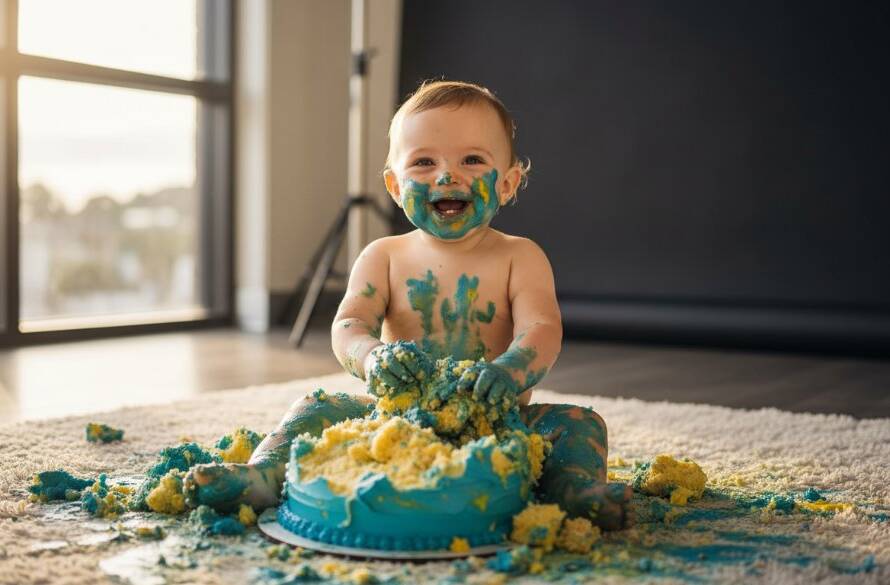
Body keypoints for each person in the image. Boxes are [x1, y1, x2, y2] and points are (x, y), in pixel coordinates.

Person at [187, 80, 631, 530]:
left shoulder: (521, 256)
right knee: (314, 407)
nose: (447, 175)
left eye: (472, 160)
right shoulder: (384, 256)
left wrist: (509, 371)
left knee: (580, 423)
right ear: (395, 186)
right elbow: (348, 324)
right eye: (424, 162)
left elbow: (542, 329)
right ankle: (264, 473)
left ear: (509, 183)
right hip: (394, 421)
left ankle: (572, 489)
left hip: (502, 421)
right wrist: (372, 356)